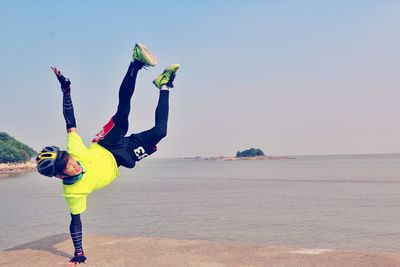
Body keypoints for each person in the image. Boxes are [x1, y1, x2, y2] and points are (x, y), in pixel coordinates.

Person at [36, 43, 180, 265]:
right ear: (59, 176)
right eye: (69, 167)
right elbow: (76, 222)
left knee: (123, 112)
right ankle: (164, 84)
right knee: (161, 132)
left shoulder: (74, 150)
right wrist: (78, 253)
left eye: (71, 160)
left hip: (106, 144)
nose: (74, 164)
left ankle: (135, 63)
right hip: (122, 158)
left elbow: (69, 120)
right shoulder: (73, 193)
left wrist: (66, 90)